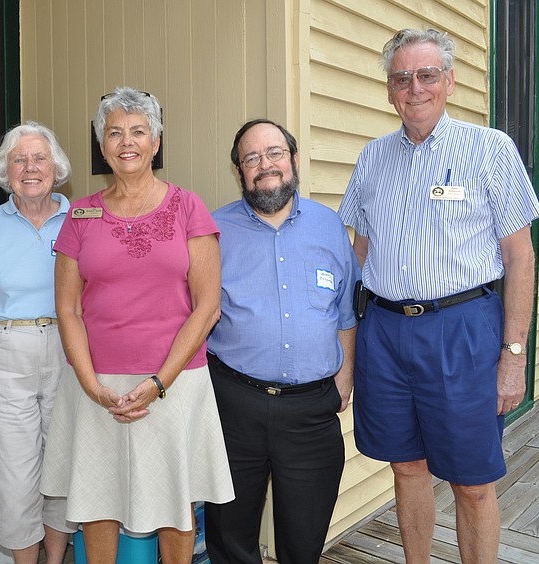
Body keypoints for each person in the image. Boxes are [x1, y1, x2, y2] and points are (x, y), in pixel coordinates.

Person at [338, 28, 539, 563]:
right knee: (406, 467)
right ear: (388, 90)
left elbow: (521, 258)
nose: (415, 88)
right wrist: (346, 354)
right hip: (384, 331)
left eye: (427, 75)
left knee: (472, 480)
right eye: (401, 78)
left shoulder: (490, 150)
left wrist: (513, 355)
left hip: (463, 330)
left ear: (449, 81)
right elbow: (357, 258)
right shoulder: (371, 160)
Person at [40, 87, 234, 563]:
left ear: (157, 141)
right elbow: (69, 309)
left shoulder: (189, 207)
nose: (127, 142)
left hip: (174, 381)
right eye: (114, 133)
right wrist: (91, 385)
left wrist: (158, 382)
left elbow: (206, 306)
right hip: (95, 383)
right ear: (101, 144)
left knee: (175, 504)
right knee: (96, 499)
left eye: (138, 131)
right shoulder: (81, 213)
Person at [204, 119, 359, 564]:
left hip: (311, 412)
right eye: (251, 158)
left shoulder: (329, 227)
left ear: (293, 160)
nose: (264, 165)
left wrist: (343, 380)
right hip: (234, 405)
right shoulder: (212, 232)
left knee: (303, 541)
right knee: (230, 537)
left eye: (274, 153)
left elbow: (347, 314)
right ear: (239, 172)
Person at [0, 122, 76, 564]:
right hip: (4, 355)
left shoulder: (82, 221)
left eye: (39, 158)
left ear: (56, 167)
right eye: (19, 160)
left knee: (63, 467)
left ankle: (55, 558)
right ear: (6, 171)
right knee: (15, 476)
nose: (30, 168)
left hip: (69, 351)